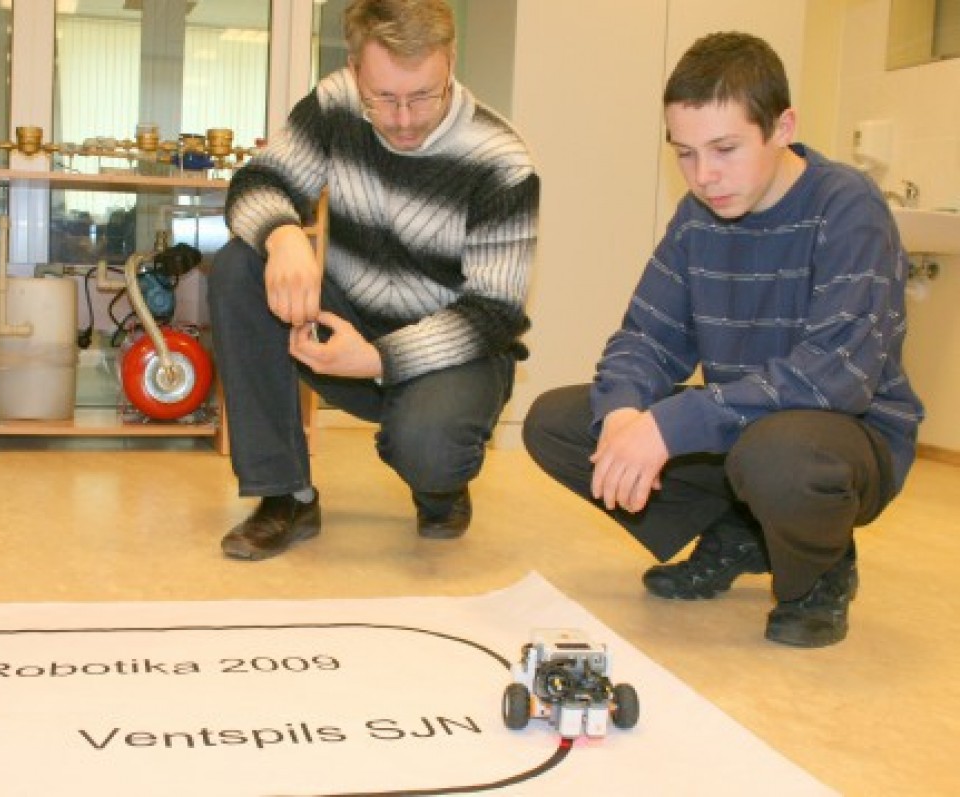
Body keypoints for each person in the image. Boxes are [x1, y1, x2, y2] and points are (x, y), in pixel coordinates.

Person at [522, 31, 923, 648]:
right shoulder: (697, 217)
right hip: (744, 428)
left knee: (778, 456)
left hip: (840, 438)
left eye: (725, 149)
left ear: (783, 127)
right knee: (560, 422)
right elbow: (645, 338)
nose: (704, 176)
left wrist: (673, 424)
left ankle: (821, 566)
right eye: (685, 154)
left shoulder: (847, 207)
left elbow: (836, 375)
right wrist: (624, 414)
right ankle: (742, 529)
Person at [209, 0, 539, 561]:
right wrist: (283, 234)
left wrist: (379, 359)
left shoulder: (501, 160)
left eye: (423, 96)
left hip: (452, 355)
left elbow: (495, 312)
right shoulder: (335, 103)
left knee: (431, 447)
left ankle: (438, 487)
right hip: (347, 326)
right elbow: (257, 182)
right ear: (355, 67)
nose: (403, 119)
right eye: (382, 97)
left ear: (450, 61)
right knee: (239, 265)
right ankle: (286, 496)